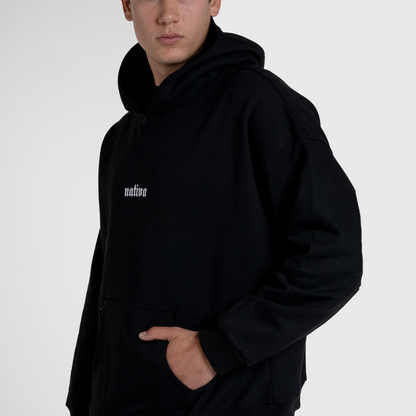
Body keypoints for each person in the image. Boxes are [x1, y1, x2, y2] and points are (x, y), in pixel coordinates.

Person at [66, 0, 363, 415]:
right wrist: (84, 396)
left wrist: (217, 349)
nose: (168, 13)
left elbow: (332, 256)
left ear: (214, 1)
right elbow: (106, 276)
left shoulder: (260, 104)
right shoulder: (121, 139)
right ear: (128, 6)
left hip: (232, 399)